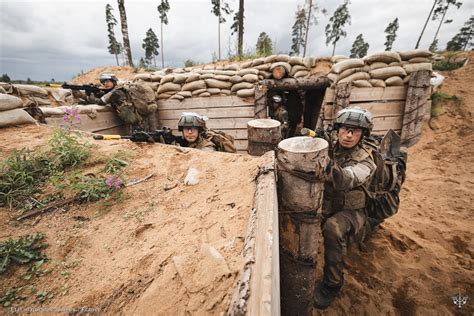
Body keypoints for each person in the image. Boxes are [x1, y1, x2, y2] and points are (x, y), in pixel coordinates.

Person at [314, 107, 377, 310]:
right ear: (338, 130)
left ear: (363, 134)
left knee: (332, 229)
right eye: (345, 129)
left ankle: (332, 284)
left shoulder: (367, 159)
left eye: (355, 131)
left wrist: (327, 163)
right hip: (328, 204)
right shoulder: (331, 146)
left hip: (353, 212)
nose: (349, 136)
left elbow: (347, 179)